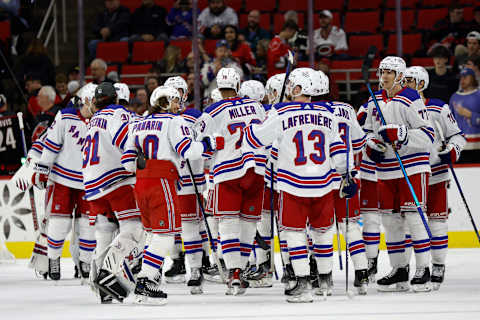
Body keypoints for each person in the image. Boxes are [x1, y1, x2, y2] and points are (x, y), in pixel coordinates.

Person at [244, 67, 356, 302]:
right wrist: (348, 175)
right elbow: (339, 150)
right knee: (323, 233)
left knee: (294, 234)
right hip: (324, 184)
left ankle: (303, 283)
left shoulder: (281, 111)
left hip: (291, 184)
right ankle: (325, 280)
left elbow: (255, 139)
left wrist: (249, 127)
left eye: (292, 85)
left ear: (298, 89)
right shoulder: (329, 114)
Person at [121, 85, 220, 304]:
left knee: (154, 233)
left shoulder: (138, 123)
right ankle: (145, 281)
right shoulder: (174, 122)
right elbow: (188, 150)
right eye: (174, 101)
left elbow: (127, 162)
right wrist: (210, 144)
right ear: (164, 102)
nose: (178, 105)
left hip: (141, 182)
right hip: (162, 179)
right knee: (166, 235)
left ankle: (147, 277)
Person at [363, 56, 434, 292]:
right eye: (382, 72)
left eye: (389, 73)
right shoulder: (374, 101)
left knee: (414, 217)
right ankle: (399, 269)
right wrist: (371, 146)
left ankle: (423, 269)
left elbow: (428, 135)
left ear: (400, 76)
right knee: (390, 221)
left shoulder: (411, 98)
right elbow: (368, 134)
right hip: (386, 170)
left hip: (412, 166)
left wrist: (402, 134)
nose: (383, 76)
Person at [196, 67, 266, 296]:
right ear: (239, 84)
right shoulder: (256, 106)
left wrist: (209, 146)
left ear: (218, 86)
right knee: (248, 224)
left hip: (228, 171)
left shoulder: (213, 109)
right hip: (256, 170)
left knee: (227, 224)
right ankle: (242, 270)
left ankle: (234, 273)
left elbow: (197, 138)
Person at [404, 66, 466, 290]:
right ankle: (416, 268)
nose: (406, 85)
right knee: (411, 223)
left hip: (436, 173)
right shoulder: (402, 106)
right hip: (411, 173)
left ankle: (438, 264)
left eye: (410, 81)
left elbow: (457, 136)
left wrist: (452, 150)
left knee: (437, 222)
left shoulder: (438, 107)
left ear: (421, 83)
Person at [84, 82, 143, 303]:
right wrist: (138, 158)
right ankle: (108, 274)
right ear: (116, 98)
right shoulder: (118, 113)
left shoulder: (93, 120)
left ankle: (97, 281)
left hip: (91, 183)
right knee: (133, 228)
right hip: (116, 179)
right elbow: (123, 139)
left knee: (105, 231)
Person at [30, 85, 97, 282]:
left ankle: (85, 262)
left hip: (89, 180)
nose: (98, 105)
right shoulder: (65, 116)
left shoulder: (102, 119)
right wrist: (43, 169)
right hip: (62, 179)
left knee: (87, 224)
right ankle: (53, 259)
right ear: (85, 100)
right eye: (95, 101)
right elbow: (51, 143)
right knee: (59, 222)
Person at [315, 71, 369, 295]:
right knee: (351, 227)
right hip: (346, 173)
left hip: (320, 178)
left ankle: (324, 279)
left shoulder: (313, 112)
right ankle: (362, 274)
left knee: (320, 229)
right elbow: (358, 143)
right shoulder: (347, 109)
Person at [449, 68, 480, 155]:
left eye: (465, 77)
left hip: (477, 145)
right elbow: (450, 123)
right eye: (461, 77)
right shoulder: (454, 97)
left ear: (473, 78)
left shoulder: (479, 95)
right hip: (460, 146)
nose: (462, 79)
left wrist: (471, 115)